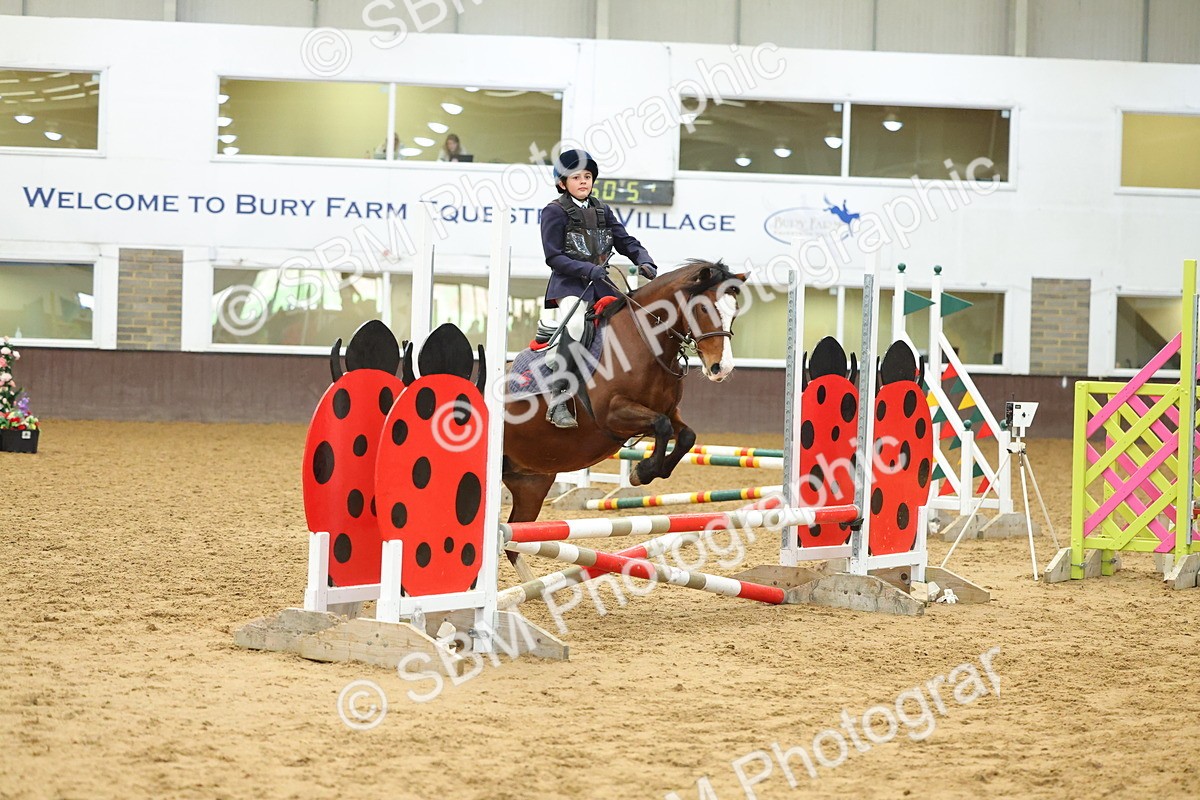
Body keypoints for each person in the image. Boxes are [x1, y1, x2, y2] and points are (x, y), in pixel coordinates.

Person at [539, 148, 658, 429]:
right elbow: (553, 256)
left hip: (601, 284)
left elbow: (625, 240)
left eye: (588, 176)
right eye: (576, 177)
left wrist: (643, 259)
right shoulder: (554, 212)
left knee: (633, 320)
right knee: (578, 326)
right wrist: (588, 269)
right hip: (570, 286)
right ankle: (557, 401)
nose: (583, 181)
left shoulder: (602, 209)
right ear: (562, 183)